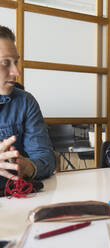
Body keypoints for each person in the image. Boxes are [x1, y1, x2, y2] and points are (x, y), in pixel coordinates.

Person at [0, 25, 56, 181]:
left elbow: (46, 159)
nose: (16, 72)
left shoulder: (25, 102)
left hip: (14, 196)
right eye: (5, 63)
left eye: (15, 62)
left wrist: (27, 167)